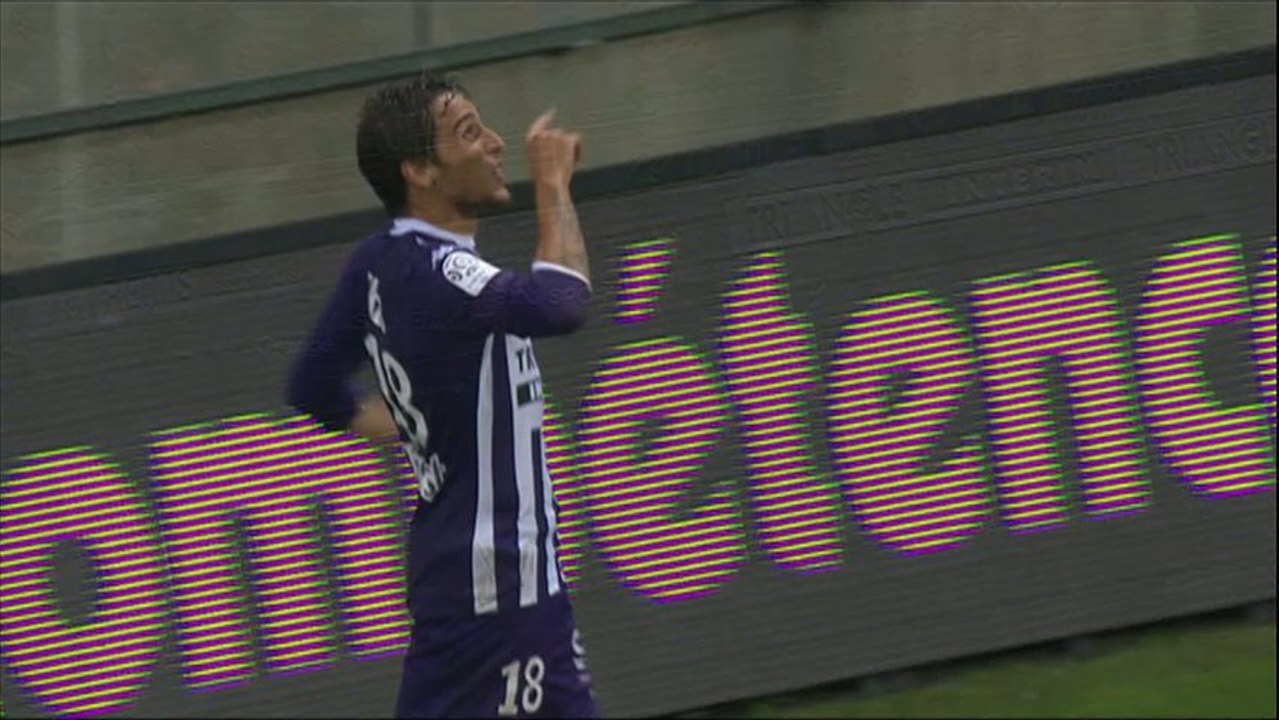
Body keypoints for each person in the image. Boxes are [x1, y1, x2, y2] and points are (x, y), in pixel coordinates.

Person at [286, 71, 597, 719]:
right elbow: (562, 305)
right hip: (501, 587)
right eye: (467, 133)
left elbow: (313, 385)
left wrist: (408, 425)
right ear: (419, 172)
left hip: (460, 582)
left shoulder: (375, 262)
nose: (492, 141)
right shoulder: (446, 269)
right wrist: (554, 186)